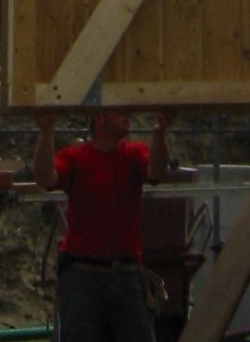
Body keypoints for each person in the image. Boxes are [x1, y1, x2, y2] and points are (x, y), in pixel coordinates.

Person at [34, 108, 171, 342]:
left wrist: (160, 133)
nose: (128, 115)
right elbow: (46, 178)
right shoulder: (76, 157)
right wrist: (46, 132)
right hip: (83, 275)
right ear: (99, 118)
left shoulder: (133, 153)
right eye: (119, 111)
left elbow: (156, 172)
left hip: (125, 273)